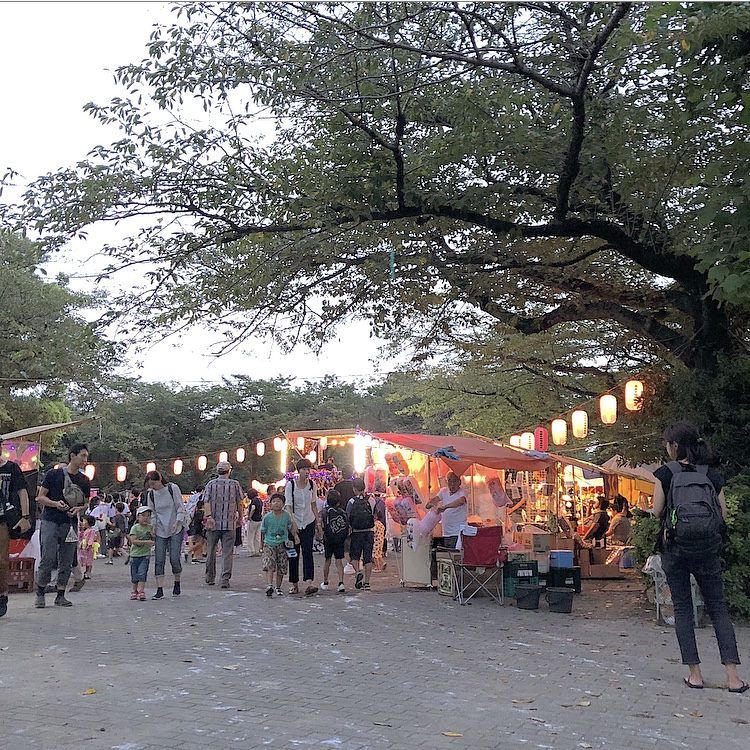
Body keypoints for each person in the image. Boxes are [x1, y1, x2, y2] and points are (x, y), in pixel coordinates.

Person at [652, 421, 747, 693]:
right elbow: (722, 515)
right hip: (707, 551)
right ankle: (733, 678)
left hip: (676, 549)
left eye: (667, 443)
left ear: (675, 446)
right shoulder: (711, 474)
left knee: (683, 609)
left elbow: (658, 511)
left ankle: (695, 675)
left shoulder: (665, 473)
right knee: (718, 609)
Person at [34, 443, 91, 608]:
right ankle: (41, 592)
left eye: (86, 456)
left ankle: (61, 594)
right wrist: (54, 503)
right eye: (83, 455)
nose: (85, 460)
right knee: (48, 558)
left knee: (66, 560)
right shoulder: (54, 474)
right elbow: (40, 497)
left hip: (71, 523)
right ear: (72, 456)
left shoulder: (84, 480)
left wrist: (78, 509)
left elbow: (86, 503)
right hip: (50, 520)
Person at [144, 470, 186, 599]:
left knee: (174, 557)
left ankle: (177, 582)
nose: (153, 486)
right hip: (161, 528)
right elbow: (153, 512)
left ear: (159, 480)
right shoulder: (151, 495)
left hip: (175, 526)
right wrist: (154, 526)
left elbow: (180, 507)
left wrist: (178, 521)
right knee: (159, 559)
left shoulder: (172, 488)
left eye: (154, 483)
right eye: (150, 484)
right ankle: (160, 588)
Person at [202, 461, 244, 589]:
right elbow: (240, 502)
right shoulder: (234, 484)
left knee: (211, 550)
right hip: (229, 522)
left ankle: (210, 577)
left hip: (213, 523)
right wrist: (240, 517)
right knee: (227, 552)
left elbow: (206, 501)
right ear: (229, 471)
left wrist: (209, 517)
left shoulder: (210, 484)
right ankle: (225, 579)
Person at [284, 458, 322, 595]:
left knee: (308, 553)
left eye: (308, 469)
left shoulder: (312, 484)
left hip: (308, 521)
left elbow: (313, 504)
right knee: (293, 554)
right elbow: (288, 505)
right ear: (298, 471)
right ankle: (294, 584)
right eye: (304, 469)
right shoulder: (291, 485)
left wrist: (318, 522)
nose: (307, 472)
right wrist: (292, 523)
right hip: (294, 522)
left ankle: (309, 583)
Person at [0, 454, 32, 618]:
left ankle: (2, 593)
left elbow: (22, 491)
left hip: (3, 519)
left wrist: (25, 516)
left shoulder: (11, 468)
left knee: (2, 560)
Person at [260, 492, 299, 596]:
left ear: (283, 504)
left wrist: (295, 536)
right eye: (274, 501)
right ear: (270, 504)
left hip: (282, 543)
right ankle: (269, 585)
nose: (276, 503)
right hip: (269, 543)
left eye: (279, 501)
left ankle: (278, 587)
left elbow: (290, 527)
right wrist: (261, 546)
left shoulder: (286, 516)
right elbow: (262, 531)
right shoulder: (267, 517)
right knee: (269, 564)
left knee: (281, 566)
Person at [347, 478, 375, 590]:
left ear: (354, 489)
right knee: (367, 558)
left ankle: (358, 572)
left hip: (356, 532)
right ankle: (367, 582)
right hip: (369, 532)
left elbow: (347, 515)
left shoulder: (352, 501)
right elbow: (375, 514)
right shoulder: (371, 500)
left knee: (354, 556)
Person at [320, 489, 348, 592]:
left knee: (327, 560)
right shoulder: (342, 512)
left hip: (328, 538)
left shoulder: (324, 512)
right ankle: (341, 583)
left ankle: (325, 582)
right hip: (339, 539)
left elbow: (320, 523)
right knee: (339, 561)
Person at [430, 472, 468, 549]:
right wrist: (430, 504)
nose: (452, 484)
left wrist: (445, 507)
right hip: (446, 532)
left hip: (457, 532)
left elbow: (461, 501)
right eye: (450, 481)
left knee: (455, 554)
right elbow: (436, 499)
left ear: (459, 482)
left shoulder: (462, 492)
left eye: (454, 481)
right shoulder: (443, 491)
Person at [128, 506, 155, 601]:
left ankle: (141, 591)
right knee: (134, 575)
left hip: (145, 555)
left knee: (142, 573)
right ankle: (134, 591)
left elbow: (154, 537)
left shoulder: (150, 528)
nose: (145, 518)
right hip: (134, 555)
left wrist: (153, 535)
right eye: (143, 516)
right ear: (138, 517)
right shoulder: (135, 528)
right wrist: (147, 542)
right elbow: (133, 541)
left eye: (148, 516)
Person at [187, 498, 207, 563]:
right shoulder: (202, 512)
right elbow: (202, 521)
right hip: (198, 529)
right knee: (200, 542)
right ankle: (189, 552)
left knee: (200, 542)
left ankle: (194, 557)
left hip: (193, 528)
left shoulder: (196, 511)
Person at [245, 488, 263, 556]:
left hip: (253, 520)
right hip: (259, 520)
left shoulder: (253, 501)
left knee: (250, 536)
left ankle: (251, 551)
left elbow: (253, 508)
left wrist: (250, 516)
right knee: (257, 536)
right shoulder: (260, 500)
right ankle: (257, 550)